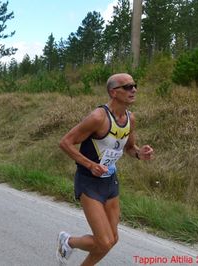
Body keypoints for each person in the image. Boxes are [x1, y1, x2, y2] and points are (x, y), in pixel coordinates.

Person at [56, 73, 154, 266]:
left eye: (134, 85)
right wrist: (90, 165)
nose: (133, 89)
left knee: (112, 240)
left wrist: (139, 154)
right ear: (113, 92)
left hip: (110, 181)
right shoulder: (98, 117)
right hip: (89, 182)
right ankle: (68, 241)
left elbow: (128, 148)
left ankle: (69, 244)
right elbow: (65, 143)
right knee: (104, 241)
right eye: (127, 87)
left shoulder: (130, 118)